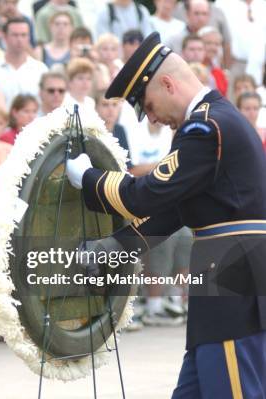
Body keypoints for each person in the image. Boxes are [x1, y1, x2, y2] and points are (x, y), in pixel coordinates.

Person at [65, 32, 266, 398]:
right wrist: (116, 246)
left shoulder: (206, 127)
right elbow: (177, 208)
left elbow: (149, 195)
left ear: (168, 83)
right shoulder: (216, 121)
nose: (151, 119)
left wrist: (89, 179)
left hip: (233, 287)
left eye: (148, 104)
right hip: (223, 287)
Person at [0, 17, 47, 108]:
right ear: (5, 37)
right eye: (15, 35)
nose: (19, 39)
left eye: (23, 35)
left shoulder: (41, 69)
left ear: (29, 37)